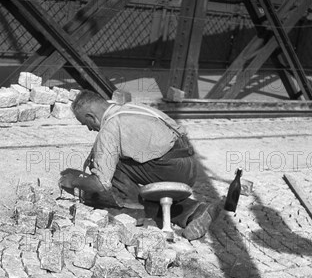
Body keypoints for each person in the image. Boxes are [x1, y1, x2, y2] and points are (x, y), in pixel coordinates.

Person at [58, 90, 218, 240]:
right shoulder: (130, 108)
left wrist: (74, 181)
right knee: (115, 158)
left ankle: (138, 211)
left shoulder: (110, 128)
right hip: (189, 165)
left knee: (107, 166)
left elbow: (101, 184)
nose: (89, 128)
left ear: (91, 117)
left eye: (85, 123)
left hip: (172, 170)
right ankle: (193, 211)